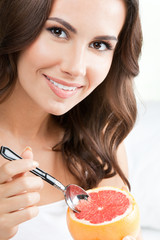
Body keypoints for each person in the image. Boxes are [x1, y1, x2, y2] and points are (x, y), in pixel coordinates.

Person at [0, 0, 143, 239]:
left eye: (99, 44)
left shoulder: (101, 144)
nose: (76, 68)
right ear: (16, 23)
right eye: (58, 31)